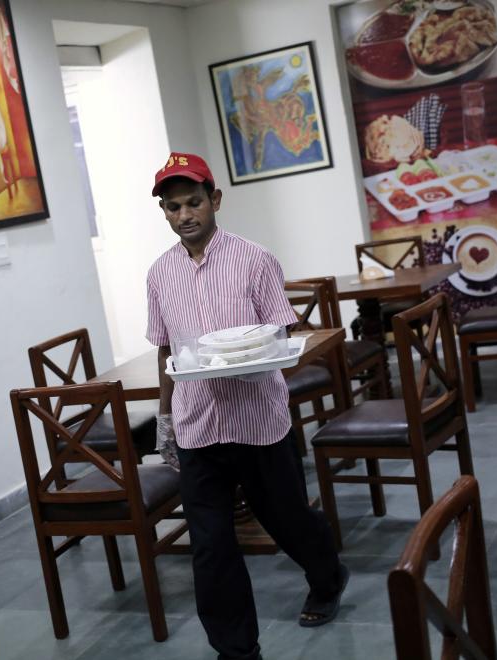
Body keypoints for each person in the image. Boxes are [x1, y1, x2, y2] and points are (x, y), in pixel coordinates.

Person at [145, 152, 348, 660]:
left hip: (258, 419)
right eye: (173, 207)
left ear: (215, 200)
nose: (185, 214)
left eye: (194, 202)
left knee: (288, 521)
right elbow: (167, 352)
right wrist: (166, 420)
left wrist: (255, 358)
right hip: (197, 427)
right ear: (165, 213)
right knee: (211, 547)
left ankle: (328, 576)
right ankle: (237, 651)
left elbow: (280, 336)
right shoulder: (158, 275)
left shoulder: (255, 259)